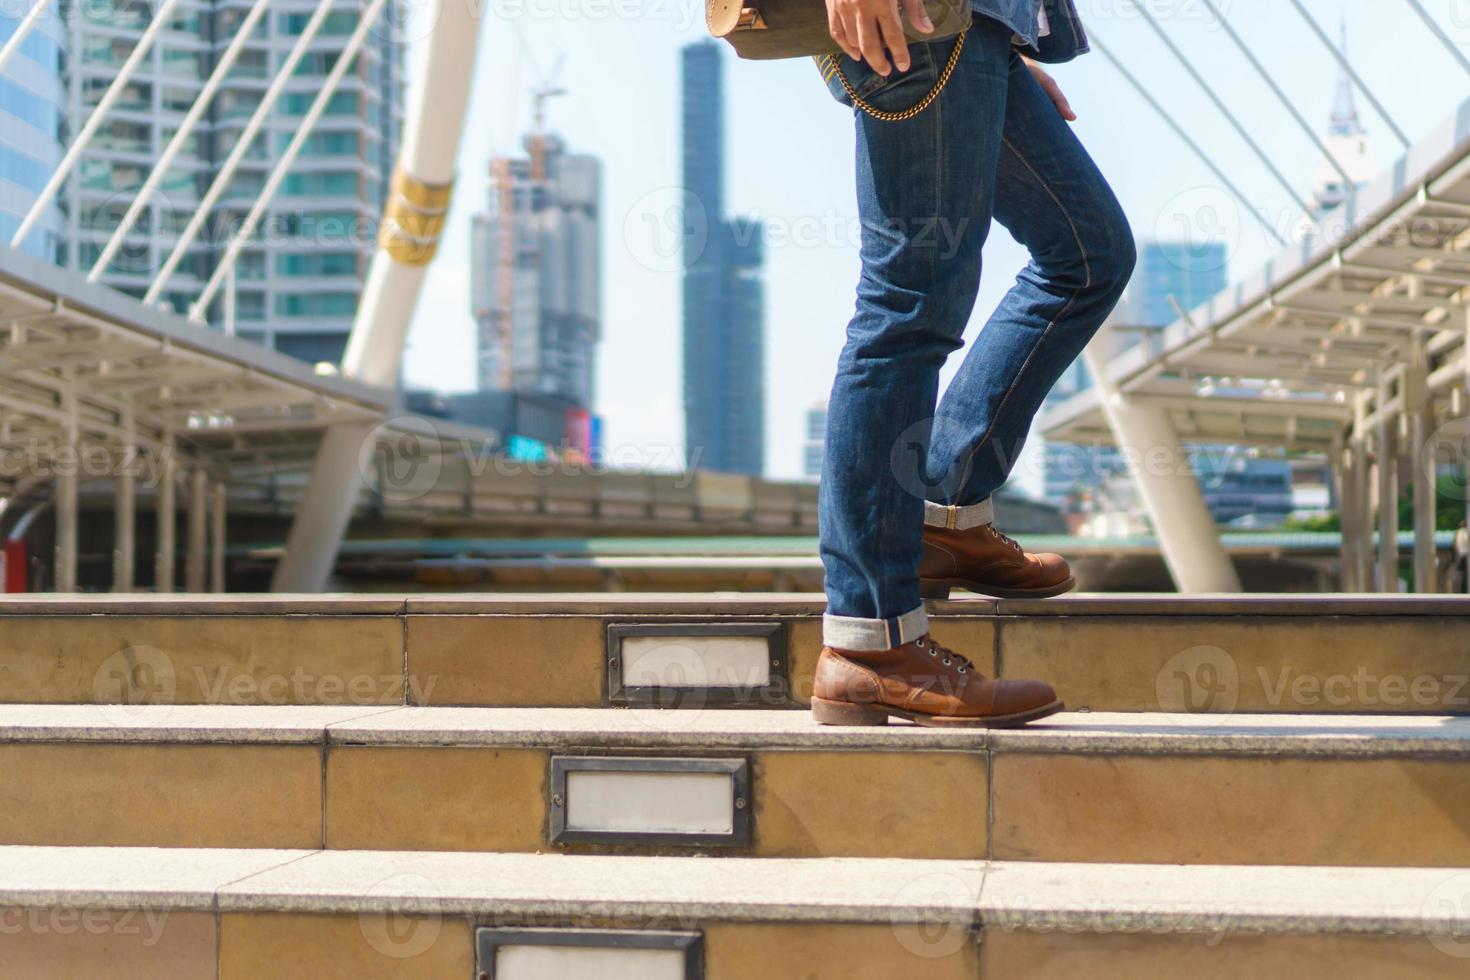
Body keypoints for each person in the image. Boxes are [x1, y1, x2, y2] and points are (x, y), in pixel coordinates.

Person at [810, 0, 1135, 727]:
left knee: (1088, 255)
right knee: (909, 301)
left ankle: (944, 513)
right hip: (918, 18)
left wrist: (1011, 39)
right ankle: (870, 639)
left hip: (975, 26)